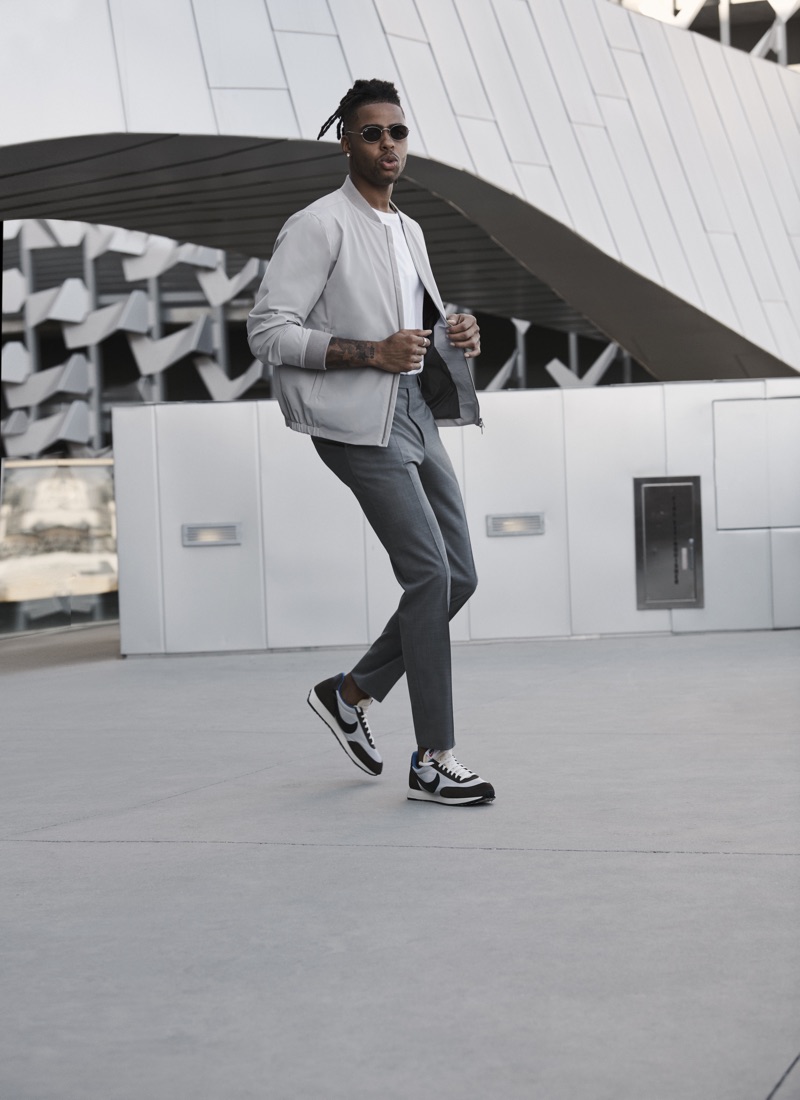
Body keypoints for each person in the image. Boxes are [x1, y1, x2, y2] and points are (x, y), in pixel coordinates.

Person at [248, 79, 494, 806]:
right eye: (372, 133)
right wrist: (368, 353)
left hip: (414, 409)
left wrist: (460, 333)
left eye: (398, 132)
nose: (389, 145)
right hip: (359, 424)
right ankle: (432, 759)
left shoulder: (407, 229)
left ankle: (350, 693)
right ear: (346, 141)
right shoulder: (317, 225)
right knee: (429, 576)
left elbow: (416, 324)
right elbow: (267, 331)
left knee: (460, 575)